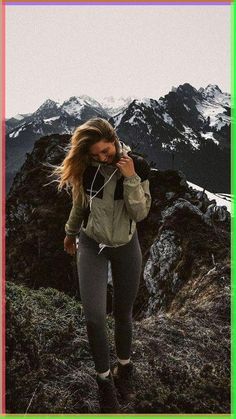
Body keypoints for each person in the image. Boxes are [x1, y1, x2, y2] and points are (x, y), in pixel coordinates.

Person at [54, 117, 152, 413]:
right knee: (94, 317)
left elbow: (140, 213)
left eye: (105, 152)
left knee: (123, 312)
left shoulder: (138, 166)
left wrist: (132, 177)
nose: (100, 158)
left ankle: (124, 368)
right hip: (92, 244)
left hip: (125, 246)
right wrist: (70, 233)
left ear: (115, 141)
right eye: (95, 154)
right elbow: (80, 205)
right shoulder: (87, 169)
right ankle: (104, 381)